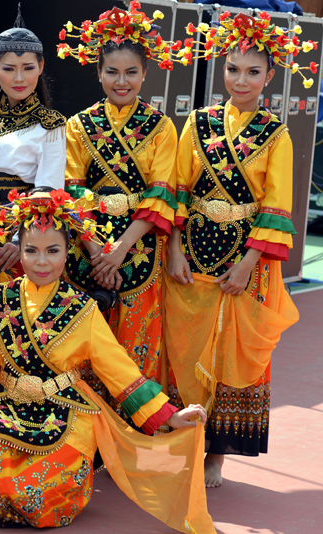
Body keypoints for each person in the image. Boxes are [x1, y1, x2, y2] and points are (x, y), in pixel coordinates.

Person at [0, 188, 214, 531]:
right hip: (9, 402)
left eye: (53, 250)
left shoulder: (83, 309)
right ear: (19, 251)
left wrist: (171, 415)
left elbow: (121, 372)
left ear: (67, 253)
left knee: (41, 495)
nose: (42, 261)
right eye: (31, 250)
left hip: (66, 409)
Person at [164, 12, 305, 488]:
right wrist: (175, 249)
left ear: (269, 76)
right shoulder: (198, 124)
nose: (240, 80)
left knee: (231, 357)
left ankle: (217, 454)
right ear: (221, 70)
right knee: (183, 350)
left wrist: (248, 264)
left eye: (252, 71)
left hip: (244, 262)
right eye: (232, 69)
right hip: (194, 256)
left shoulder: (276, 135)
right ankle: (182, 440)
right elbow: (179, 190)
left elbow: (276, 208)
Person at [58, 2, 182, 425]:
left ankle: (131, 428)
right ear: (98, 73)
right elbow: (71, 192)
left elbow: (160, 195)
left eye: (131, 72)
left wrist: (118, 251)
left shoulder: (163, 127)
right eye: (112, 72)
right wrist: (97, 252)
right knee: (83, 337)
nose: (121, 81)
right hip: (86, 243)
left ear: (145, 74)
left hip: (138, 245)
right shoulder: (78, 125)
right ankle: (82, 431)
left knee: (135, 340)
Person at [0, 4, 66, 276]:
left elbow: (48, 190)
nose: (19, 78)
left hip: (17, 240)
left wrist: (19, 239)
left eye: (28, 68)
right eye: (9, 68)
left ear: (41, 67)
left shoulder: (50, 125)